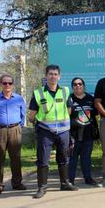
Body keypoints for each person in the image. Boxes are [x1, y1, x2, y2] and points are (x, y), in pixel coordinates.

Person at [29, 65, 78, 199]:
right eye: (50, 74)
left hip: (63, 132)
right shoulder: (38, 93)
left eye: (55, 74)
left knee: (64, 158)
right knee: (43, 160)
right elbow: (32, 115)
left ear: (59, 76)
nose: (53, 76)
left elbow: (69, 110)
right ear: (46, 76)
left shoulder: (65, 91)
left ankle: (65, 183)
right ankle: (42, 187)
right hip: (45, 132)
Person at [0, 74, 26, 195]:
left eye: (9, 83)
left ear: (12, 85)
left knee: (16, 158)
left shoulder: (18, 99)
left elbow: (23, 115)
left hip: (15, 129)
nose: (7, 85)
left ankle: (17, 183)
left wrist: (18, 127)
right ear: (0, 84)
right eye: (4, 83)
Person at [68, 77, 100, 187]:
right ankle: (70, 180)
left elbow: (96, 113)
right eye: (75, 84)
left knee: (86, 158)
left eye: (80, 84)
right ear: (72, 87)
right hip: (73, 135)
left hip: (88, 134)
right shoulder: (69, 99)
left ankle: (88, 178)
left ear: (84, 86)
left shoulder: (90, 98)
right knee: (73, 159)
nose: (78, 86)